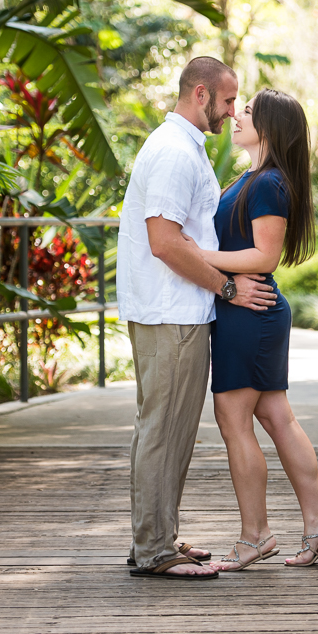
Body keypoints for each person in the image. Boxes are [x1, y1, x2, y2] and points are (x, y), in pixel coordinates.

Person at [118, 56, 277, 580]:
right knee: (163, 430)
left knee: (172, 429)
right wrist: (227, 287)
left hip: (179, 312)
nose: (234, 114)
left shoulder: (187, 149)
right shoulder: (172, 153)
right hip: (170, 314)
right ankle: (154, 551)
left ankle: (158, 534)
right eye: (230, 102)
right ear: (203, 94)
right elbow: (164, 243)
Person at [181, 89, 318, 571]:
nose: (235, 116)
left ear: (269, 126)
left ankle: (255, 536)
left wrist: (198, 256)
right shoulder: (253, 177)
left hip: (250, 311)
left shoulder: (269, 183)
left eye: (246, 111)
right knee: (276, 417)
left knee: (235, 422)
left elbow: (264, 257)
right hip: (251, 310)